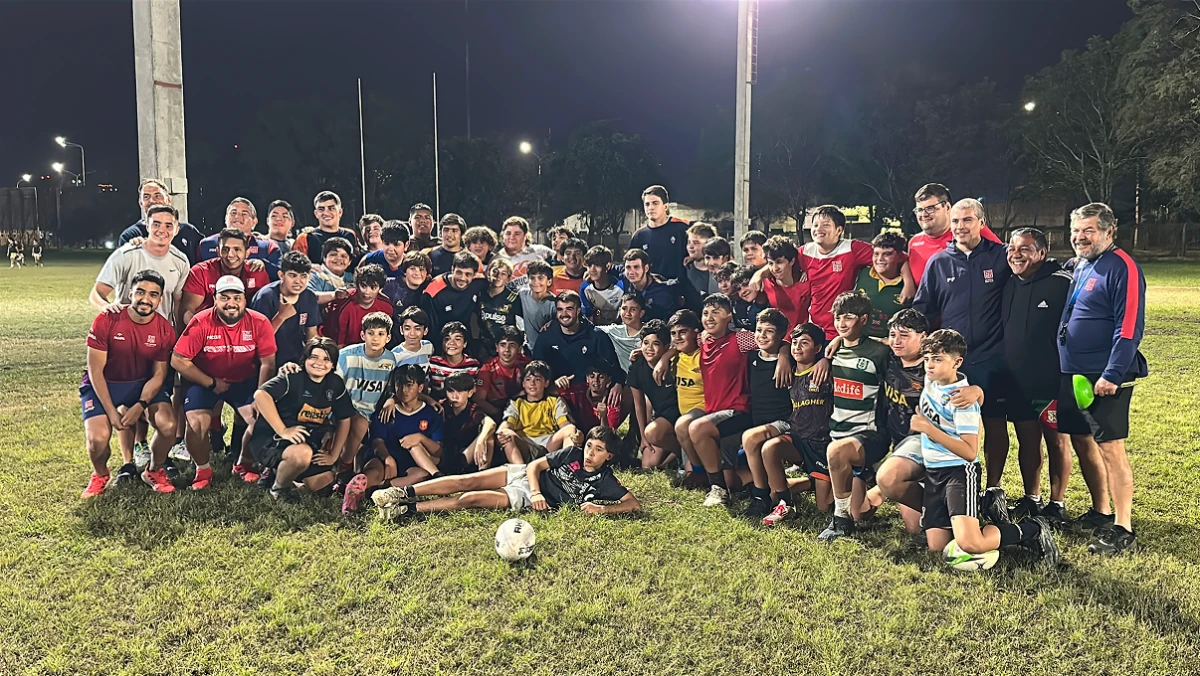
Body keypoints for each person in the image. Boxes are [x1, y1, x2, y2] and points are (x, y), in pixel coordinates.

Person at [912, 329, 1059, 566]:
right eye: (927, 358)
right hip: (933, 471)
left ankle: (1031, 529)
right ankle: (971, 521)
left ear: (957, 362)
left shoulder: (962, 400)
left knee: (971, 545)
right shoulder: (932, 379)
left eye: (938, 359)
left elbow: (970, 452)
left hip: (958, 473)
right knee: (937, 547)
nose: (929, 365)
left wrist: (929, 430)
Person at [913, 198, 1013, 516]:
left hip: (991, 357)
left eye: (967, 220)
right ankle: (951, 487)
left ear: (981, 222)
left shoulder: (1000, 257)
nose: (960, 227)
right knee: (947, 421)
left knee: (995, 424)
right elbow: (923, 309)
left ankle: (994, 489)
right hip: (951, 363)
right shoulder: (939, 262)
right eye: (955, 221)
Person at [1057, 203, 1147, 555]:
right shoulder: (1080, 264)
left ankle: (1123, 528)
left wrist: (1111, 373)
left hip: (1103, 376)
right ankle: (1101, 511)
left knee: (1111, 449)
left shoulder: (1123, 267)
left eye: (1088, 230)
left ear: (1110, 232)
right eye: (1075, 230)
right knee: (1082, 441)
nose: (1080, 237)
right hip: (1074, 372)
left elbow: (1129, 327)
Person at [372, 426, 639, 518]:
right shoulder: (572, 453)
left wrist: (604, 510)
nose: (589, 453)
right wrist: (536, 492)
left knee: (471, 498)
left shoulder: (604, 481)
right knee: (470, 479)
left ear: (609, 456)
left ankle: (406, 510)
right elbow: (536, 465)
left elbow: (633, 504)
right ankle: (400, 492)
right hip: (526, 478)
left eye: (598, 450)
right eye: (589, 446)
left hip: (524, 495)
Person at [171, 275, 277, 490]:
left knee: (259, 419)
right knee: (197, 423)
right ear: (215, 299)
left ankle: (243, 464)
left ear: (245, 300)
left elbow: (268, 363)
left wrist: (260, 395)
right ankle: (203, 469)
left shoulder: (259, 322)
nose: (231, 303)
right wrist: (211, 383)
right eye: (224, 297)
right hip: (205, 380)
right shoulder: (201, 321)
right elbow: (178, 359)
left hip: (244, 381)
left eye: (237, 297)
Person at [79, 270, 178, 498]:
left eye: (153, 294)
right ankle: (101, 474)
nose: (146, 299)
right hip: (104, 384)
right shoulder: (107, 319)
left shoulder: (164, 329)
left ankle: (154, 470)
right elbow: (95, 370)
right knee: (97, 439)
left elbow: (158, 375)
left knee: (168, 425)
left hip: (141, 385)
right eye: (140, 292)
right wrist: (112, 413)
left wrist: (140, 405)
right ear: (130, 293)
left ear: (160, 299)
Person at [1001, 228, 1072, 524]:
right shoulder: (1009, 284)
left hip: (1051, 380)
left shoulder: (1062, 284)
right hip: (1017, 380)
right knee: (1027, 440)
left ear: (1042, 253)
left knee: (1057, 442)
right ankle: (1032, 498)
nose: (1016, 254)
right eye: (1012, 248)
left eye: (1025, 249)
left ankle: (1057, 503)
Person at [818, 291, 892, 542]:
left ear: (863, 319)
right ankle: (877, 483)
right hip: (838, 433)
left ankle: (840, 521)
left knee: (836, 452)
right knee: (861, 513)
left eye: (847, 317)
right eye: (838, 317)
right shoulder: (831, 351)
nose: (840, 323)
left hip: (870, 435)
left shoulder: (879, 353)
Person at [250, 337, 354, 501]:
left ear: (333, 364)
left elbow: (345, 418)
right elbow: (261, 395)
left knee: (324, 485)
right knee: (301, 454)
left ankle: (284, 475)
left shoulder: (335, 384)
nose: (319, 363)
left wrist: (334, 455)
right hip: (273, 439)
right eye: (314, 357)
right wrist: (283, 430)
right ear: (305, 359)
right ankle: (278, 489)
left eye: (326, 359)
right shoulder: (293, 376)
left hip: (307, 441)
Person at [758, 323, 834, 525]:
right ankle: (785, 503)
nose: (797, 347)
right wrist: (784, 354)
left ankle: (816, 481)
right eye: (795, 343)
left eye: (805, 343)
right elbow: (778, 345)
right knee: (770, 448)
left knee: (823, 507)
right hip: (798, 441)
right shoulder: (788, 373)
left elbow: (844, 346)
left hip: (822, 446)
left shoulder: (825, 373)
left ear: (817, 348)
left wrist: (827, 359)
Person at [343, 365, 444, 511]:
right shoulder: (386, 411)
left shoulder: (431, 414)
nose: (404, 390)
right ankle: (355, 492)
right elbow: (377, 442)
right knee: (375, 470)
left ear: (420, 387)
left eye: (409, 385)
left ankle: (379, 490)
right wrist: (387, 458)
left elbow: (438, 450)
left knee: (421, 475)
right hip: (384, 458)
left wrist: (420, 438)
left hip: (410, 462)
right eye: (399, 385)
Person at [740, 309, 800, 518]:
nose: (762, 335)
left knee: (749, 438)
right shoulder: (750, 356)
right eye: (759, 330)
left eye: (769, 331)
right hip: (759, 421)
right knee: (736, 474)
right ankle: (773, 490)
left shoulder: (791, 357)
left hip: (785, 422)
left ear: (782, 334)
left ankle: (761, 495)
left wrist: (784, 353)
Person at [92, 204, 189, 324]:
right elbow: (97, 293)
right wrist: (105, 307)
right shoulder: (126, 255)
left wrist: (177, 334)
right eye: (156, 224)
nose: (162, 230)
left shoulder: (181, 261)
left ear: (176, 230)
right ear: (147, 226)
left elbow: (177, 301)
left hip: (161, 335)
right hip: (125, 330)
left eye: (168, 226)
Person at [336, 312, 398, 483]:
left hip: (370, 412)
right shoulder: (347, 355)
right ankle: (344, 467)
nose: (375, 338)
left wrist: (391, 398)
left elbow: (391, 387)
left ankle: (345, 468)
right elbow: (334, 386)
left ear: (388, 337)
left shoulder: (390, 360)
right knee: (358, 421)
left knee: (363, 422)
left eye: (380, 334)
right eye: (370, 333)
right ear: (363, 335)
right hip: (343, 408)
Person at [533, 291, 626, 403]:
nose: (564, 314)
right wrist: (552, 384)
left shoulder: (597, 336)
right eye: (560, 309)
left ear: (578, 311)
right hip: (556, 397)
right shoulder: (545, 337)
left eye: (569, 309)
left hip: (590, 398)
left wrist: (618, 384)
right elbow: (536, 370)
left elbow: (614, 367)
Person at [908, 183, 1001, 285]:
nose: (924, 214)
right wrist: (908, 282)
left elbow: (1003, 259)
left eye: (930, 208)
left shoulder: (971, 232)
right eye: (919, 210)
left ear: (947, 207)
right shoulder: (914, 244)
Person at [180, 228, 272, 326]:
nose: (230, 255)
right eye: (225, 249)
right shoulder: (201, 271)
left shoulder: (257, 272)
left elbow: (264, 313)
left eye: (237, 249)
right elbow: (188, 312)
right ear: (218, 251)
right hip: (207, 329)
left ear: (247, 253)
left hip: (245, 332)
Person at [497, 360, 579, 463]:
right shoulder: (516, 403)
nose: (532, 383)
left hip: (549, 445)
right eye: (528, 379)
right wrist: (502, 433)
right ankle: (520, 474)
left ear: (546, 383)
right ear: (523, 383)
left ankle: (567, 469)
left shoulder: (554, 401)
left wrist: (575, 435)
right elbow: (507, 424)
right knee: (506, 434)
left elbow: (564, 425)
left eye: (537, 379)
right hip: (525, 445)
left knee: (570, 429)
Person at [251, 250, 321, 368]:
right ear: (281, 275)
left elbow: (311, 334)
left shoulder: (309, 296)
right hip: (266, 361)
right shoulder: (265, 297)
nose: (298, 281)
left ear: (309, 277)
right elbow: (256, 340)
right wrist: (281, 316)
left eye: (303, 276)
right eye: (293, 275)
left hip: (297, 359)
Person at [627, 320, 680, 469]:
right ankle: (677, 453)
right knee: (648, 464)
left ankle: (683, 453)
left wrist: (665, 358)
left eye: (655, 344)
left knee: (653, 433)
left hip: (678, 414)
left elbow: (685, 347)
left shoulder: (674, 362)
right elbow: (639, 405)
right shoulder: (637, 366)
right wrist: (643, 439)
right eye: (645, 343)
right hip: (661, 416)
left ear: (665, 346)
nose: (649, 348)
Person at [117, 178, 203, 265]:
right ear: (141, 203)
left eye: (158, 196)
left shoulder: (189, 231)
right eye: (146, 197)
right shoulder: (130, 236)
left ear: (168, 200)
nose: (152, 201)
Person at [418, 251, 488, 352]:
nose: (462, 278)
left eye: (468, 274)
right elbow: (429, 331)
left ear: (475, 275)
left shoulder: (479, 282)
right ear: (452, 269)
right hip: (441, 343)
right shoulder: (433, 292)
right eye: (459, 272)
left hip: (465, 341)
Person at [198, 198, 280, 280]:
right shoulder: (205, 245)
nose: (237, 217)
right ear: (226, 218)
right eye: (233, 213)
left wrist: (265, 265)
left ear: (254, 222)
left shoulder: (268, 247)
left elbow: (281, 276)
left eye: (244, 214)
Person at [322, 263, 393, 348]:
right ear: (357, 285)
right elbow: (338, 344)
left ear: (380, 289)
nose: (367, 292)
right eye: (363, 286)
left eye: (373, 287)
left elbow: (384, 339)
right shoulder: (343, 304)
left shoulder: (386, 306)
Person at [629, 185, 689, 283]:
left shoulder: (682, 229)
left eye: (655, 203)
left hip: (680, 289)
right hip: (652, 290)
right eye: (647, 204)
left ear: (665, 206)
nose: (651, 207)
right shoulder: (639, 236)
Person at [855, 231, 910, 338]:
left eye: (887, 254)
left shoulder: (909, 286)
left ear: (899, 256)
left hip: (892, 347)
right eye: (876, 254)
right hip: (862, 342)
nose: (880, 259)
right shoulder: (862, 273)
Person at [439, 372, 491, 473]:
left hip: (467, 454)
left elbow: (490, 423)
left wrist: (481, 440)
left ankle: (483, 473)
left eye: (460, 391)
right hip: (444, 454)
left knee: (488, 436)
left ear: (470, 393)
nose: (454, 396)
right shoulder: (441, 406)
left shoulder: (473, 409)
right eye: (450, 391)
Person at [476, 326, 531, 419]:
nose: (507, 350)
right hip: (496, 411)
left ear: (519, 349)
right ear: (497, 348)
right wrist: (500, 414)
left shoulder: (528, 364)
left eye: (512, 345)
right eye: (502, 345)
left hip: (523, 410)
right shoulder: (487, 368)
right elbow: (479, 400)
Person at [760, 235, 811, 332]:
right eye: (771, 263)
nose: (775, 269)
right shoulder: (765, 284)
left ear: (791, 261)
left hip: (802, 338)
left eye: (779, 262)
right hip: (777, 340)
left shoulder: (806, 283)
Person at [293, 191, 360, 264]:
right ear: (316, 213)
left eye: (331, 208)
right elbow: (296, 268)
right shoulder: (305, 238)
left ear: (340, 212)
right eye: (321, 209)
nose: (326, 213)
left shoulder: (350, 235)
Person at [618, 249, 682, 324]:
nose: (631, 272)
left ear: (646, 268)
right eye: (628, 267)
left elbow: (670, 322)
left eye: (636, 267)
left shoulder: (662, 291)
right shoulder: (625, 279)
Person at [477, 257, 521, 360]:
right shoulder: (480, 294)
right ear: (488, 273)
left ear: (508, 278)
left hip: (505, 348)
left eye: (503, 273)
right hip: (483, 346)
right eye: (495, 271)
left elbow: (520, 326)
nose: (498, 276)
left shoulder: (513, 298)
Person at [427, 322, 482, 400]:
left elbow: (475, 395)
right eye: (447, 339)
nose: (452, 343)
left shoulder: (473, 365)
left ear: (465, 343)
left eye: (457, 339)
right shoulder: (432, 363)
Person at [382, 251, 432, 329]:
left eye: (421, 269)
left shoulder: (429, 289)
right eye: (413, 269)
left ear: (427, 273)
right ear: (405, 271)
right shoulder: (389, 285)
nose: (417, 273)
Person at [598, 292, 645, 375]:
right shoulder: (614, 331)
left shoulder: (650, 332)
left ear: (641, 313)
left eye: (633, 309)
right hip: (624, 382)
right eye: (624, 308)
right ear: (619, 310)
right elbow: (591, 329)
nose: (627, 313)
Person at [497, 216, 555, 283]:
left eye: (517, 234)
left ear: (525, 236)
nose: (512, 237)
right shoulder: (496, 259)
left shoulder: (541, 251)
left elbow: (562, 263)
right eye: (508, 233)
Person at [517, 260, 559, 351]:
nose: (536, 282)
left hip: (549, 351)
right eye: (532, 278)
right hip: (529, 349)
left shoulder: (554, 304)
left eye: (540, 278)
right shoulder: (522, 295)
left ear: (549, 281)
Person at [579, 245, 625, 326]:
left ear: (608, 266)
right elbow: (588, 316)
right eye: (589, 265)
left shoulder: (621, 287)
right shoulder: (585, 288)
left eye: (597, 265)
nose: (592, 269)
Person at [307, 237, 356, 306]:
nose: (339, 258)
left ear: (349, 262)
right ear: (324, 258)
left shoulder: (352, 277)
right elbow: (308, 297)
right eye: (333, 254)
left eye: (343, 256)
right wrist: (334, 295)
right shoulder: (313, 275)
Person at [683, 223, 718, 304]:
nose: (690, 246)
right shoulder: (685, 268)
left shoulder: (720, 271)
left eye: (696, 243)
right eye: (689, 242)